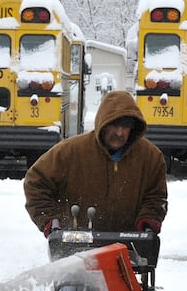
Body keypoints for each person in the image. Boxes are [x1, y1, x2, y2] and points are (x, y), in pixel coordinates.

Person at [24, 90, 167, 236]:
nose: (119, 132)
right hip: (76, 245)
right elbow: (36, 182)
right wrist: (50, 220)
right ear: (103, 123)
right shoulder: (70, 151)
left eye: (125, 126)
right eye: (114, 125)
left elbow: (156, 196)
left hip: (129, 245)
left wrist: (149, 220)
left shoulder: (150, 157)